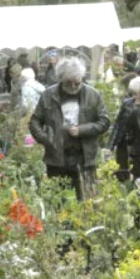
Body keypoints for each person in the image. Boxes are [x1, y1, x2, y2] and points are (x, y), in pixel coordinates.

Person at [29, 57, 110, 200]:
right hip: (57, 157)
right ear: (61, 79)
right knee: (59, 199)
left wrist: (83, 129)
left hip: (84, 157)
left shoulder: (93, 95)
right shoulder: (48, 95)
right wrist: (45, 139)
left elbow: (104, 122)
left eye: (77, 83)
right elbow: (35, 121)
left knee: (86, 199)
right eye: (69, 83)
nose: (73, 86)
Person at [108, 76, 140, 181]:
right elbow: (118, 124)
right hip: (123, 141)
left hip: (138, 144)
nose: (135, 96)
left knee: (137, 173)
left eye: (138, 93)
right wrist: (110, 145)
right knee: (122, 171)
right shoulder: (127, 103)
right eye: (133, 93)